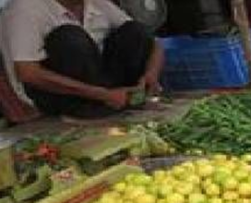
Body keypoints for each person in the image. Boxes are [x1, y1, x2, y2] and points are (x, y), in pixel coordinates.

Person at [0, 0, 164, 118]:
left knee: (134, 31)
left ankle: (126, 99)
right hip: (55, 96)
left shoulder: (96, 3)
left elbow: (152, 42)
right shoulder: (25, 8)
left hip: (101, 88)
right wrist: (103, 94)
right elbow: (28, 73)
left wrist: (151, 73)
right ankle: (91, 109)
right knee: (68, 37)